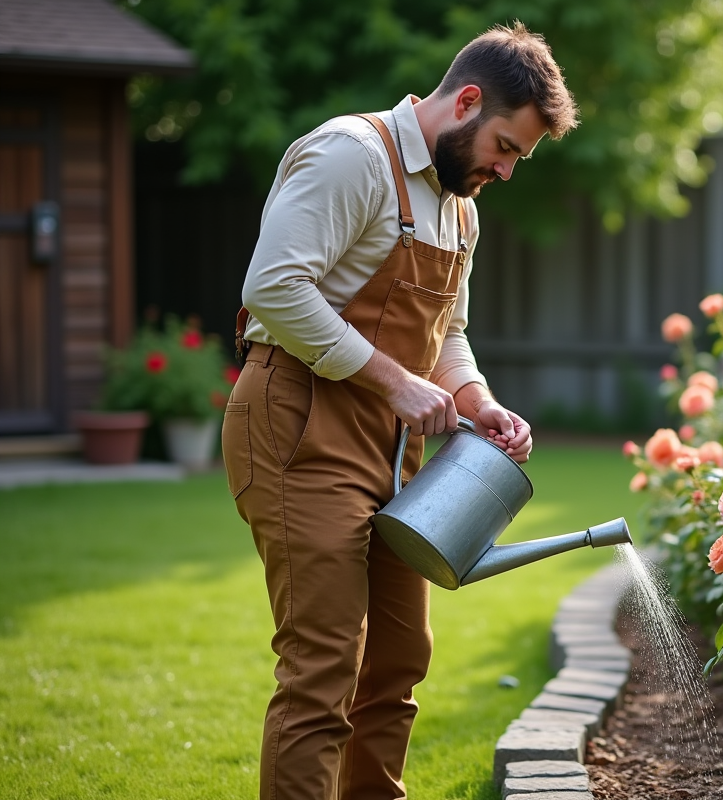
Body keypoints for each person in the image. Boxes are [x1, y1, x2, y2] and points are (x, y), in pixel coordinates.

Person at [220, 22, 578, 800]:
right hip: (296, 429)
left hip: (389, 452)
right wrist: (398, 382)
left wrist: (474, 398)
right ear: (468, 102)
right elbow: (273, 290)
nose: (508, 171)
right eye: (508, 148)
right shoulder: (352, 155)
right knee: (323, 668)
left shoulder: (461, 207)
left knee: (398, 660)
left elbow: (447, 329)